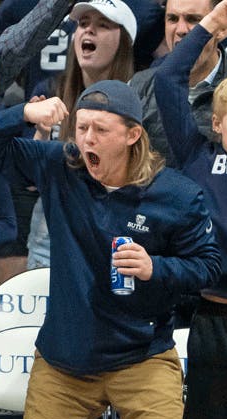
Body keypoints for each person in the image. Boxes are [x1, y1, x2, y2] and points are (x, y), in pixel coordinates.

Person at [0, 80, 222, 419]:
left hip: (143, 357)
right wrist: (23, 115)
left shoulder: (177, 194)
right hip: (66, 360)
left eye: (100, 130)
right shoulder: (61, 165)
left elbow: (209, 268)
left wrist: (156, 267)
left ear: (133, 134)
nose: (87, 140)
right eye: (81, 128)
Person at [152, 1, 227, 419]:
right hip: (218, 321)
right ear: (216, 124)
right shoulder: (197, 153)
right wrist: (210, 26)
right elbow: (170, 77)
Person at [24, 0, 137, 269]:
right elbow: (31, 183)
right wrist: (40, 137)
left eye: (102, 25)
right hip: (48, 245)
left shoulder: (139, 99)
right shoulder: (51, 91)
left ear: (124, 40)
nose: (88, 31)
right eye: (83, 24)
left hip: (110, 244)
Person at [130, 0, 227, 167]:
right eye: (172, 19)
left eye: (193, 19)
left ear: (222, 29)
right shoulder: (138, 86)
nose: (181, 30)